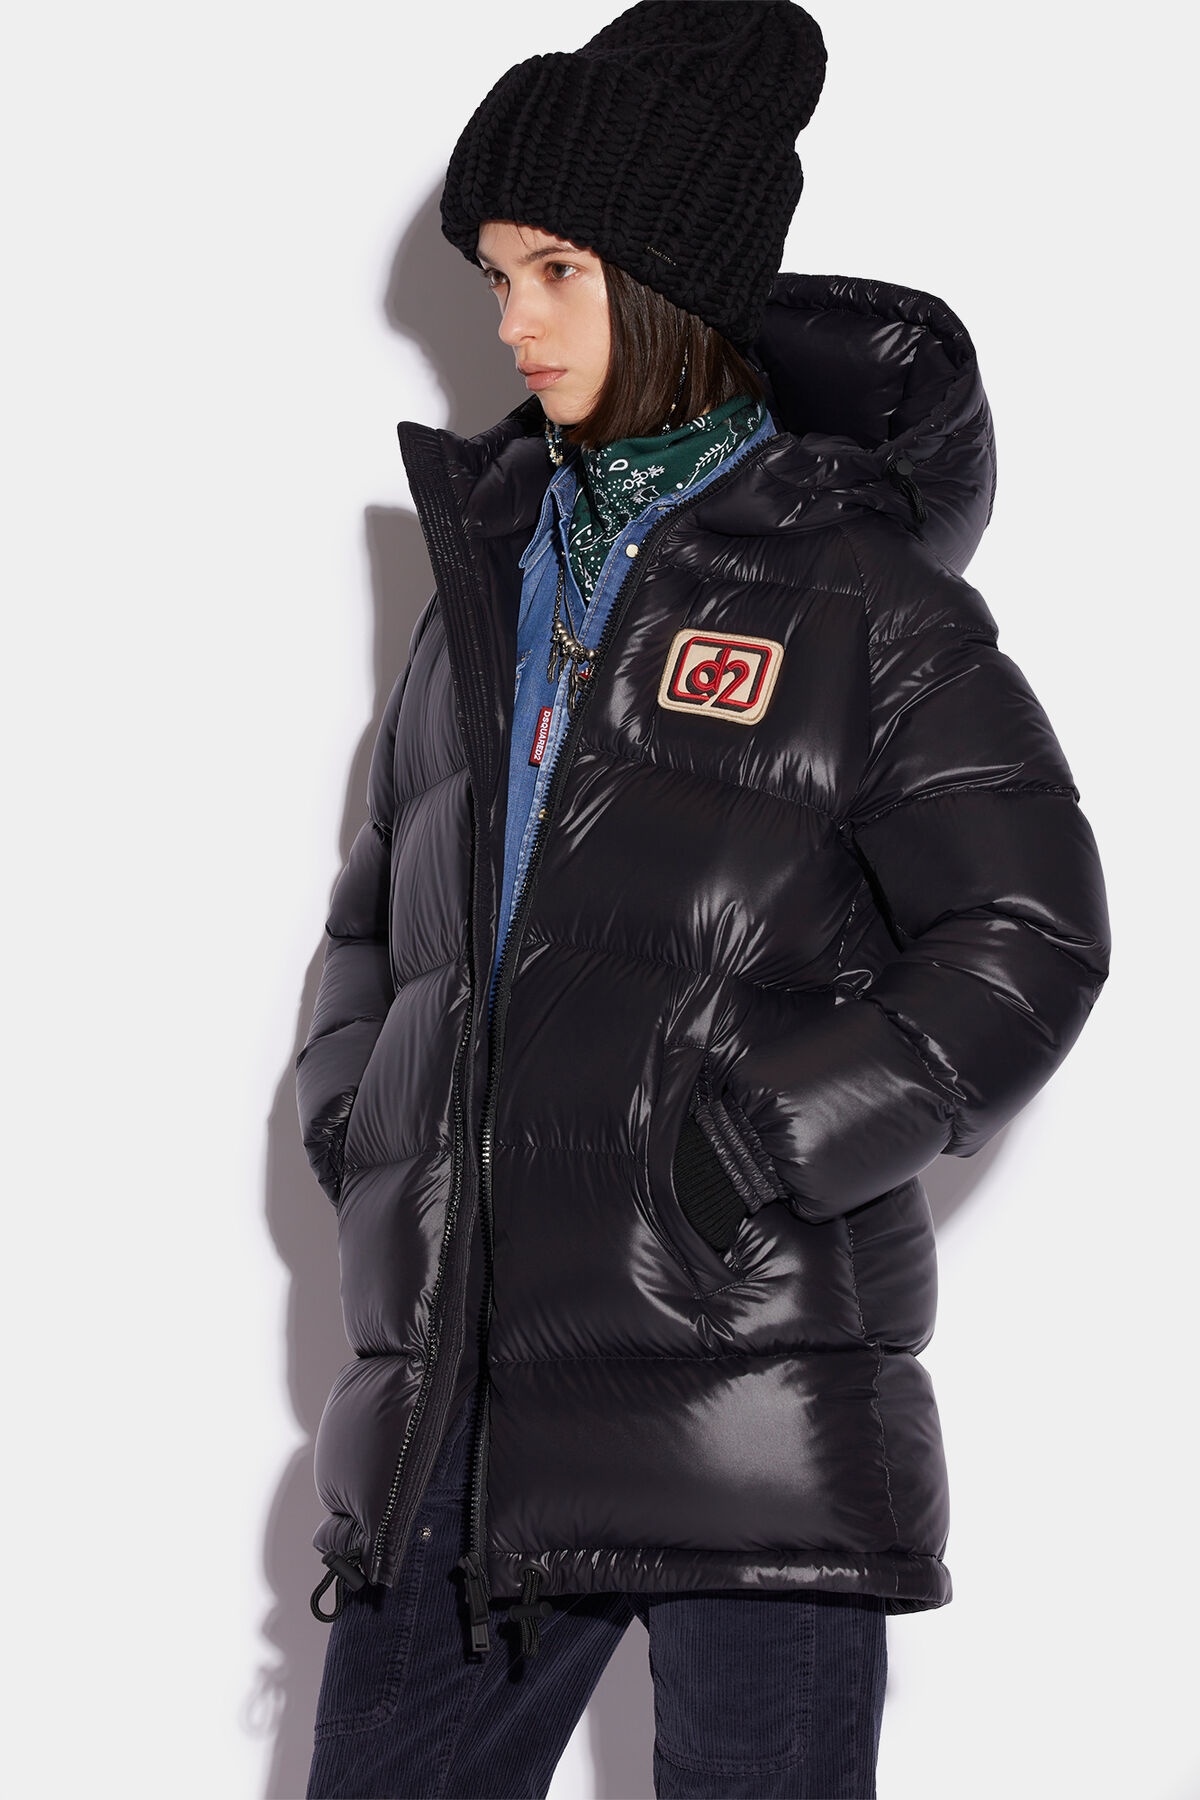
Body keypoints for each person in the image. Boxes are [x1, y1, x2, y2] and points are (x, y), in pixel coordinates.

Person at [294, 4, 1110, 1795]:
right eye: (495, 275)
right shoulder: (488, 578)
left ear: (668, 282)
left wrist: (762, 1143)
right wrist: (366, 1119)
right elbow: (379, 912)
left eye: (557, 271)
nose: (511, 321)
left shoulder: (858, 598)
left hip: (742, 1385)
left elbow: (1029, 934)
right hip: (465, 1402)